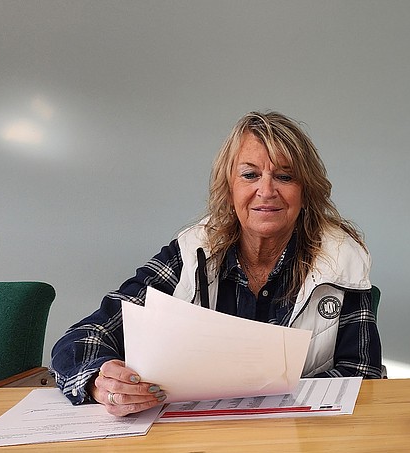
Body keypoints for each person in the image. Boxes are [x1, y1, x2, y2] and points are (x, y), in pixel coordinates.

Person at [52, 111, 384, 416]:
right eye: (250, 175)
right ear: (229, 188)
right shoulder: (191, 253)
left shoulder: (342, 261)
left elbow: (362, 376)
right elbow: (85, 336)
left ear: (306, 191)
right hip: (191, 449)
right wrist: (101, 381)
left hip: (298, 444)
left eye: (284, 177)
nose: (266, 191)